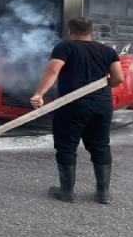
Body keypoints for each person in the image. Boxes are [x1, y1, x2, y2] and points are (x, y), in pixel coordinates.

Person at [30, 17, 125, 204]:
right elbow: (118, 78)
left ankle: (66, 192)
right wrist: (100, 86)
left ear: (70, 31)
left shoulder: (64, 47)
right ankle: (103, 193)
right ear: (91, 32)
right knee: (100, 145)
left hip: (72, 105)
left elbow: (52, 70)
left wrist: (39, 94)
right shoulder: (107, 50)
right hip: (102, 105)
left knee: (66, 146)